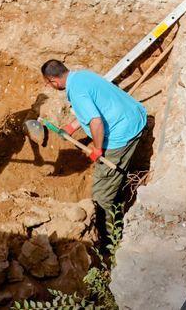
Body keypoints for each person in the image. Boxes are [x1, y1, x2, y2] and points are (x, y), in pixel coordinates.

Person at [40, 59, 146, 240]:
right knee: (111, 184)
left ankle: (109, 240)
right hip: (133, 116)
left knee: (101, 195)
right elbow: (94, 109)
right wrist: (72, 126)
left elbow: (96, 121)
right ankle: (117, 191)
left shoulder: (76, 92)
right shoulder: (81, 76)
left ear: (53, 81)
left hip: (122, 133)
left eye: (47, 83)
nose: (47, 86)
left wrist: (97, 149)